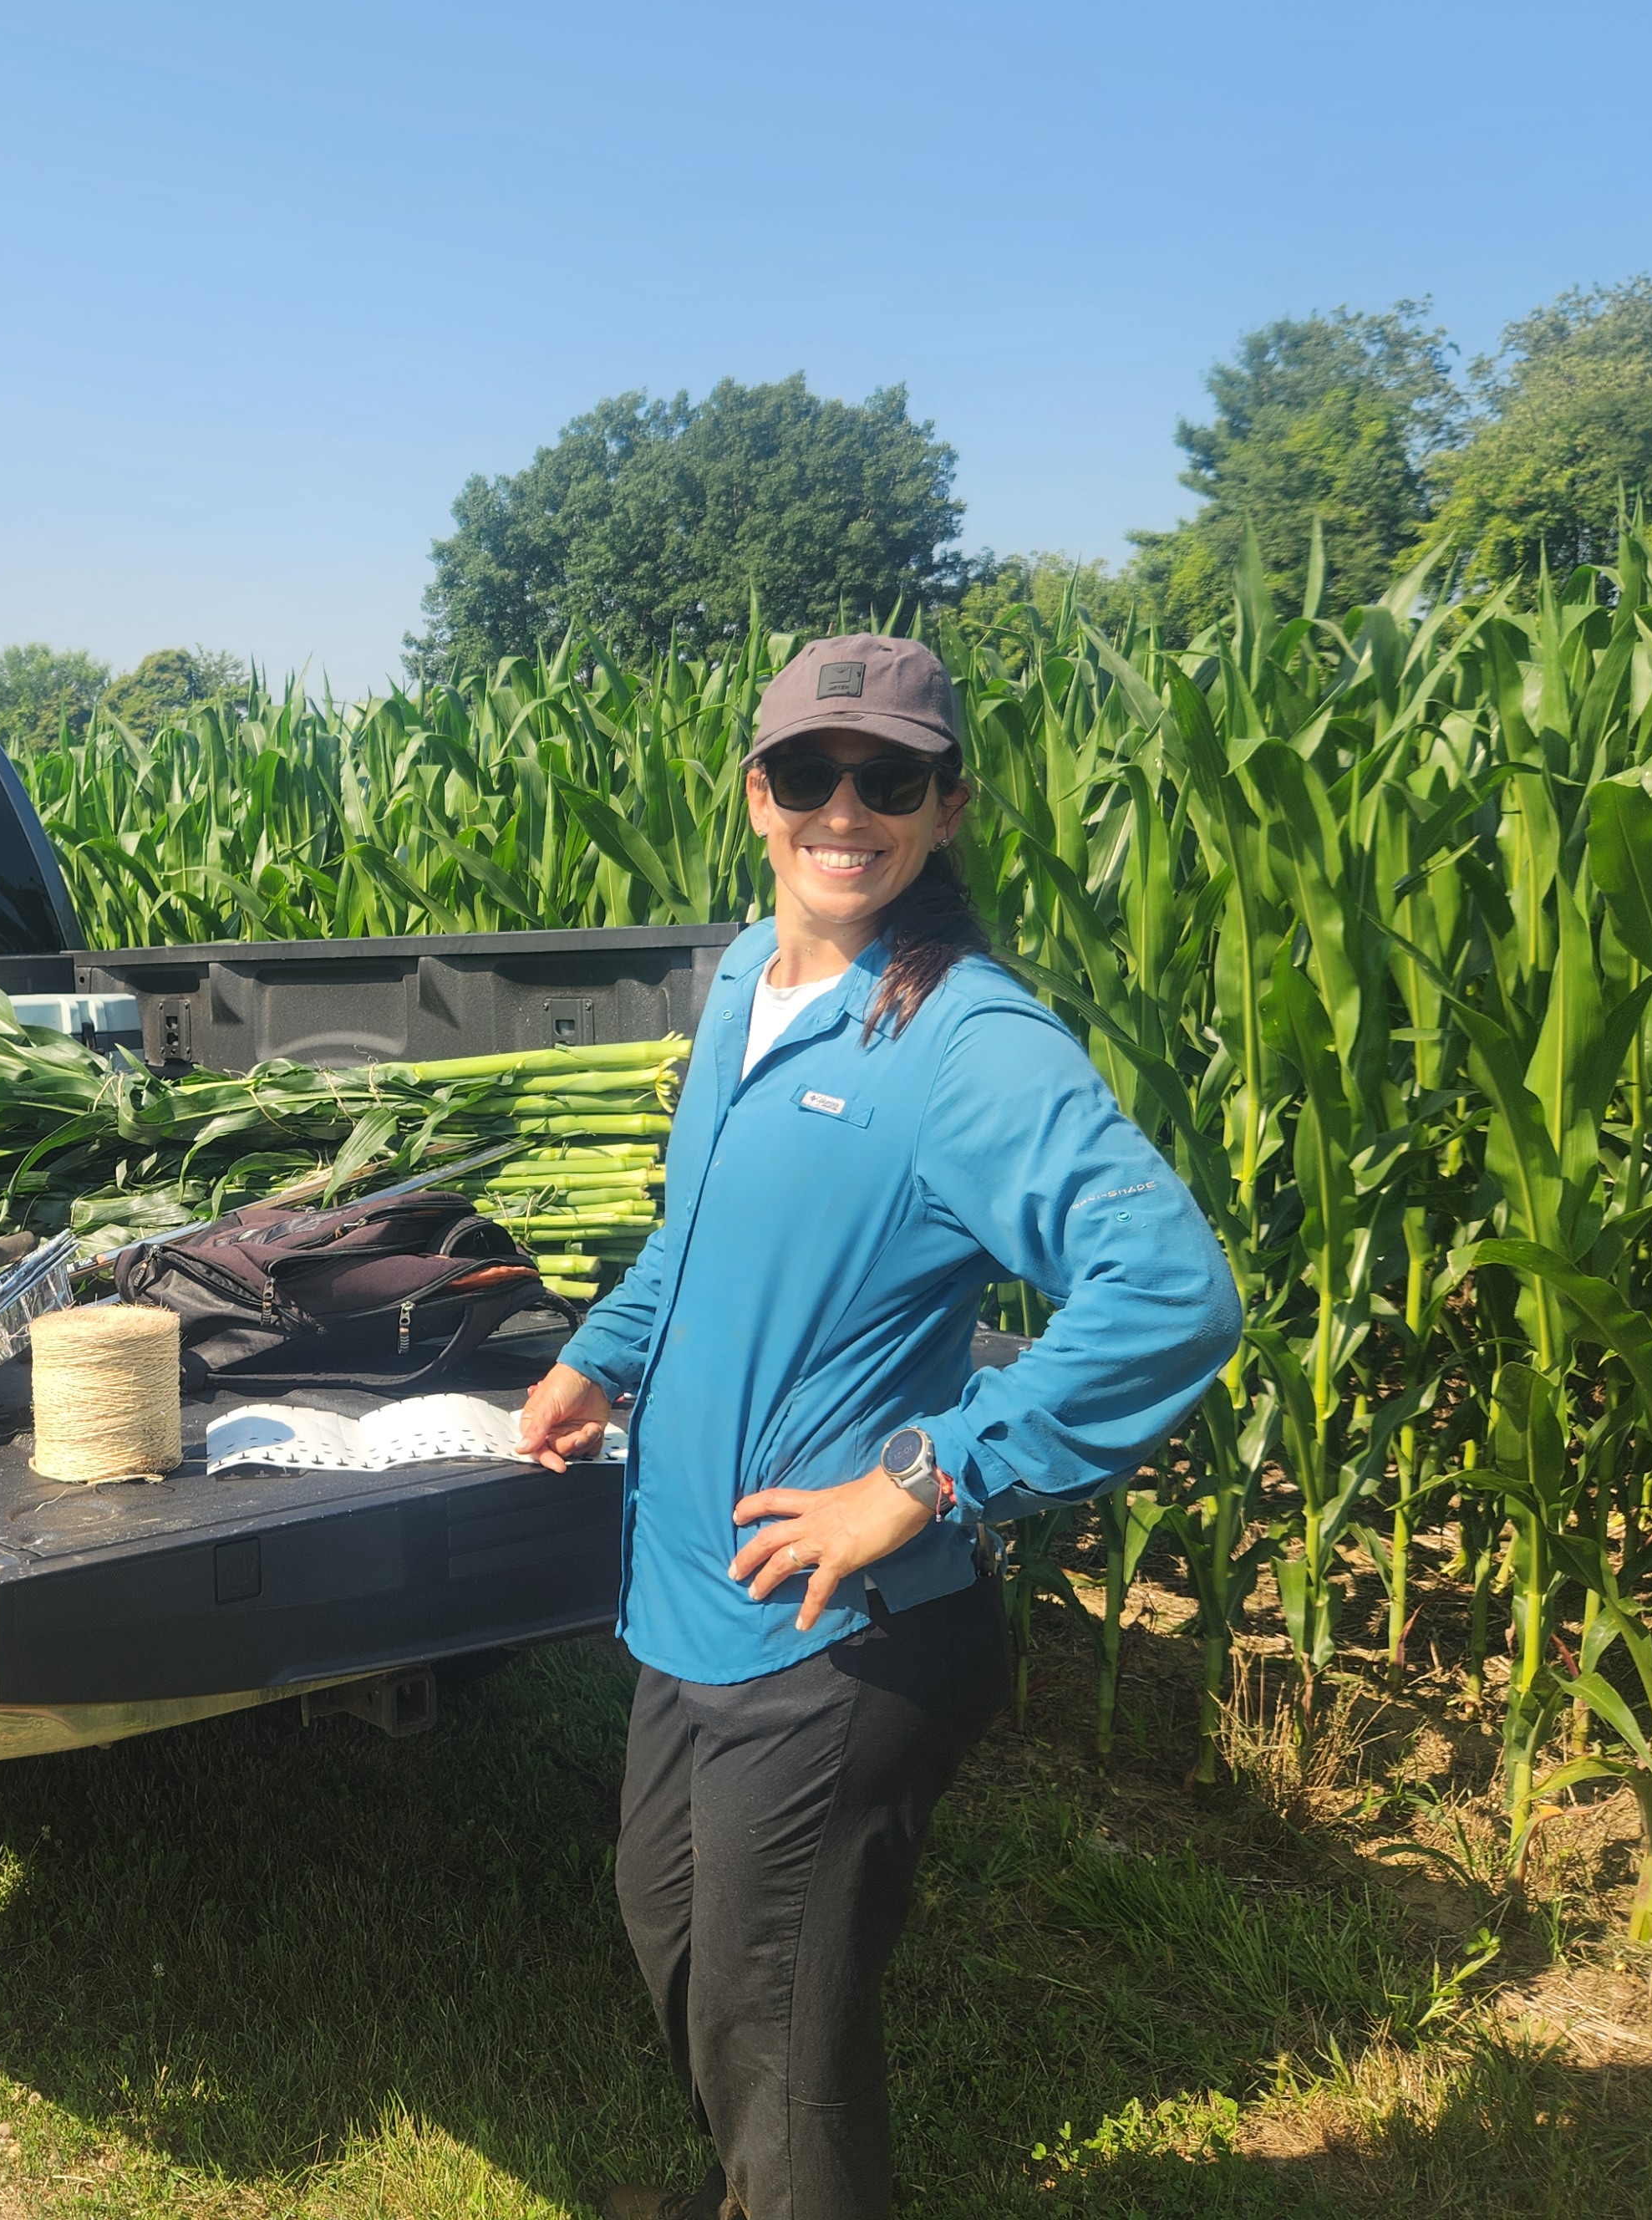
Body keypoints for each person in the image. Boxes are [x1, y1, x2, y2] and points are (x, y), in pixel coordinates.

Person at [515, 634, 1240, 2220]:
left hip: (837, 1632)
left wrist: (927, 1474)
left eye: (891, 780)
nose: (846, 811)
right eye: (811, 773)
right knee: (672, 1927)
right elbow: (697, 1227)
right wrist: (601, 1356)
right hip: (694, 1593)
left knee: (775, 2030)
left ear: (946, 807)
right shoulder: (743, 981)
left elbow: (1172, 1291)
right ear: (756, 794)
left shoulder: (967, 1043)